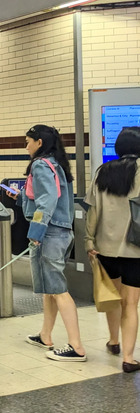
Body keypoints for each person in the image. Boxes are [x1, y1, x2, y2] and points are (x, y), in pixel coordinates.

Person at [5, 125, 86, 362]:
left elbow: (47, 202)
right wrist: (19, 197)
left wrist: (36, 231)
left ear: (39, 142)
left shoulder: (41, 165)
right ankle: (45, 335)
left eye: (28, 141)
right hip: (60, 231)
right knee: (49, 290)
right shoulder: (57, 164)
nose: (26, 145)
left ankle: (77, 346)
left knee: (58, 290)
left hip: (49, 234)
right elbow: (47, 198)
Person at [85, 126, 140, 372]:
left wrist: (89, 240)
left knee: (113, 298)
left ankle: (114, 341)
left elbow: (93, 210)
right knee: (131, 303)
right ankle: (129, 358)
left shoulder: (102, 172)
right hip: (135, 249)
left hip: (105, 247)